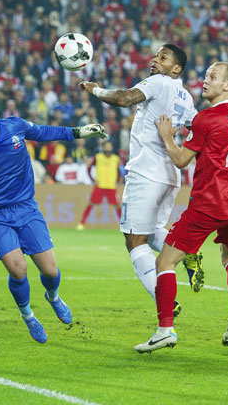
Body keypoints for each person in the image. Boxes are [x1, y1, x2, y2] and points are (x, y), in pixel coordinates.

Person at [0, 94, 107, 343]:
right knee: (18, 269)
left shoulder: (14, 126)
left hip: (25, 208)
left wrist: (78, 132)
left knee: (50, 270)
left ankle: (53, 296)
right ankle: (29, 316)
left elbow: (45, 132)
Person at [135, 61, 228, 353]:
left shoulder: (205, 120)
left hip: (208, 203)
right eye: (206, 75)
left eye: (213, 77)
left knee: (164, 262)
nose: (205, 80)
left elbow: (182, 160)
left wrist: (167, 137)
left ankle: (164, 330)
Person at [79, 43, 204, 306]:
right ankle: (187, 250)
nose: (155, 60)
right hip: (170, 175)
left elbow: (124, 99)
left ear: (176, 69)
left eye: (164, 57)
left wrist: (95, 89)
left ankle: (165, 300)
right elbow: (199, 128)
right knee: (153, 230)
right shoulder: (186, 97)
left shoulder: (158, 82)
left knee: (134, 240)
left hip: (146, 171)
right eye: (157, 55)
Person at [76, 141, 122, 230]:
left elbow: (119, 171)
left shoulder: (116, 159)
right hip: (100, 185)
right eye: (107, 146)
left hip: (111, 186)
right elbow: (89, 168)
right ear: (103, 147)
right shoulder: (98, 157)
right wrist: (93, 179)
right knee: (91, 203)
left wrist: (118, 181)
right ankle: (82, 223)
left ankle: (123, 225)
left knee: (117, 205)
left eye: (110, 146)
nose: (108, 148)